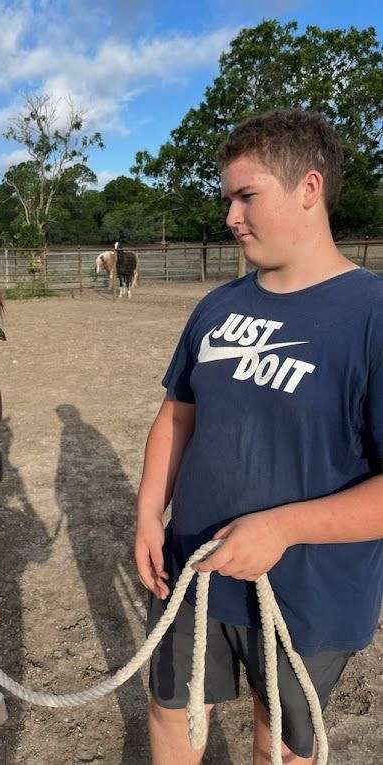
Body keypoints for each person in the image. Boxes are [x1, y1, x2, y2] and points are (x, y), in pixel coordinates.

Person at [135, 108, 383, 764]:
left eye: (247, 196)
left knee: (281, 740)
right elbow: (177, 414)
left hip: (310, 589)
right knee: (172, 709)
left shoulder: (371, 316)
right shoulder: (216, 307)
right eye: (228, 199)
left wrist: (282, 528)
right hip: (194, 570)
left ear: (309, 188)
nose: (230, 217)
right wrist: (146, 515)